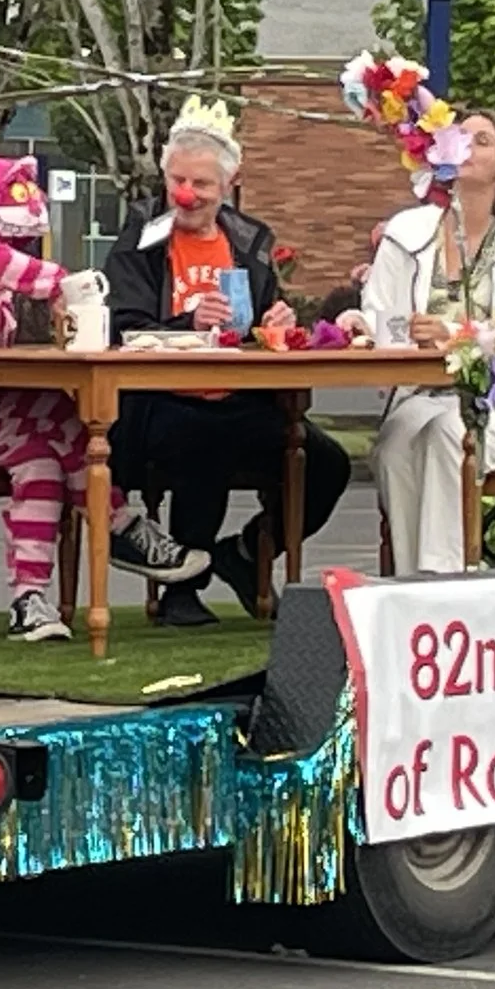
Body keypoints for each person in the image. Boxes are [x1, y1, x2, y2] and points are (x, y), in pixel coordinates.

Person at [0, 154, 207, 643]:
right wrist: (57, 281)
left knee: (45, 449)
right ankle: (118, 525)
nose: (11, 244)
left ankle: (29, 600)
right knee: (55, 419)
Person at [103, 96, 352, 626]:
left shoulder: (250, 240)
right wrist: (184, 325)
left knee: (327, 464)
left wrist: (275, 325)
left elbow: (256, 324)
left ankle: (244, 554)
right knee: (202, 438)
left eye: (201, 185)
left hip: (242, 398)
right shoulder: (142, 237)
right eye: (177, 181)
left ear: (229, 182)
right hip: (157, 404)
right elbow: (122, 326)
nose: (186, 195)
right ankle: (181, 590)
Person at [362, 109, 495, 575]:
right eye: (460, 137)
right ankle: (408, 583)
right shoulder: (406, 234)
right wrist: (367, 326)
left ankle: (445, 579)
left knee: (448, 434)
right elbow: (380, 312)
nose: (467, 147)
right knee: (394, 446)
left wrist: (453, 336)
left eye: (483, 141)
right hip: (420, 390)